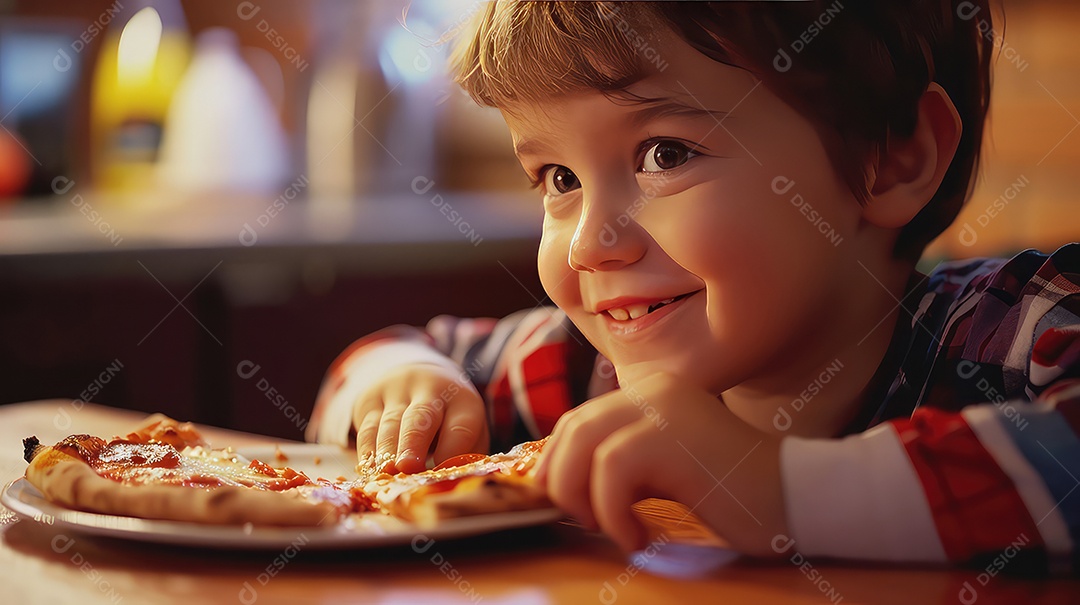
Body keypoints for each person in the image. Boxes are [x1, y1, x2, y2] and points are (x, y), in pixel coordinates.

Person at [308, 1, 1079, 572]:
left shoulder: (1011, 333)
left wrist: (781, 490)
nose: (590, 243)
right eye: (560, 178)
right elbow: (397, 351)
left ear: (893, 158)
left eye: (666, 155)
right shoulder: (590, 374)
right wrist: (409, 386)